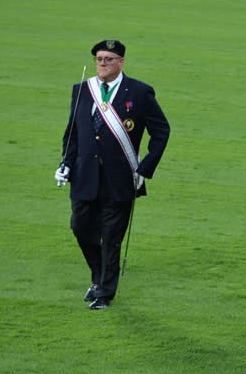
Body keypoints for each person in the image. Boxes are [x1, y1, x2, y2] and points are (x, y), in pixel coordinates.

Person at [54, 39, 170, 310]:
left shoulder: (139, 93)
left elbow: (162, 131)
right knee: (80, 227)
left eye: (108, 59)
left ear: (121, 62)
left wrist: (145, 169)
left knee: (112, 237)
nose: (102, 63)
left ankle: (105, 292)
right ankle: (98, 277)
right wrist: (66, 163)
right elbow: (72, 133)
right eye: (99, 59)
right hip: (84, 177)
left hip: (120, 180)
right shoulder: (83, 90)